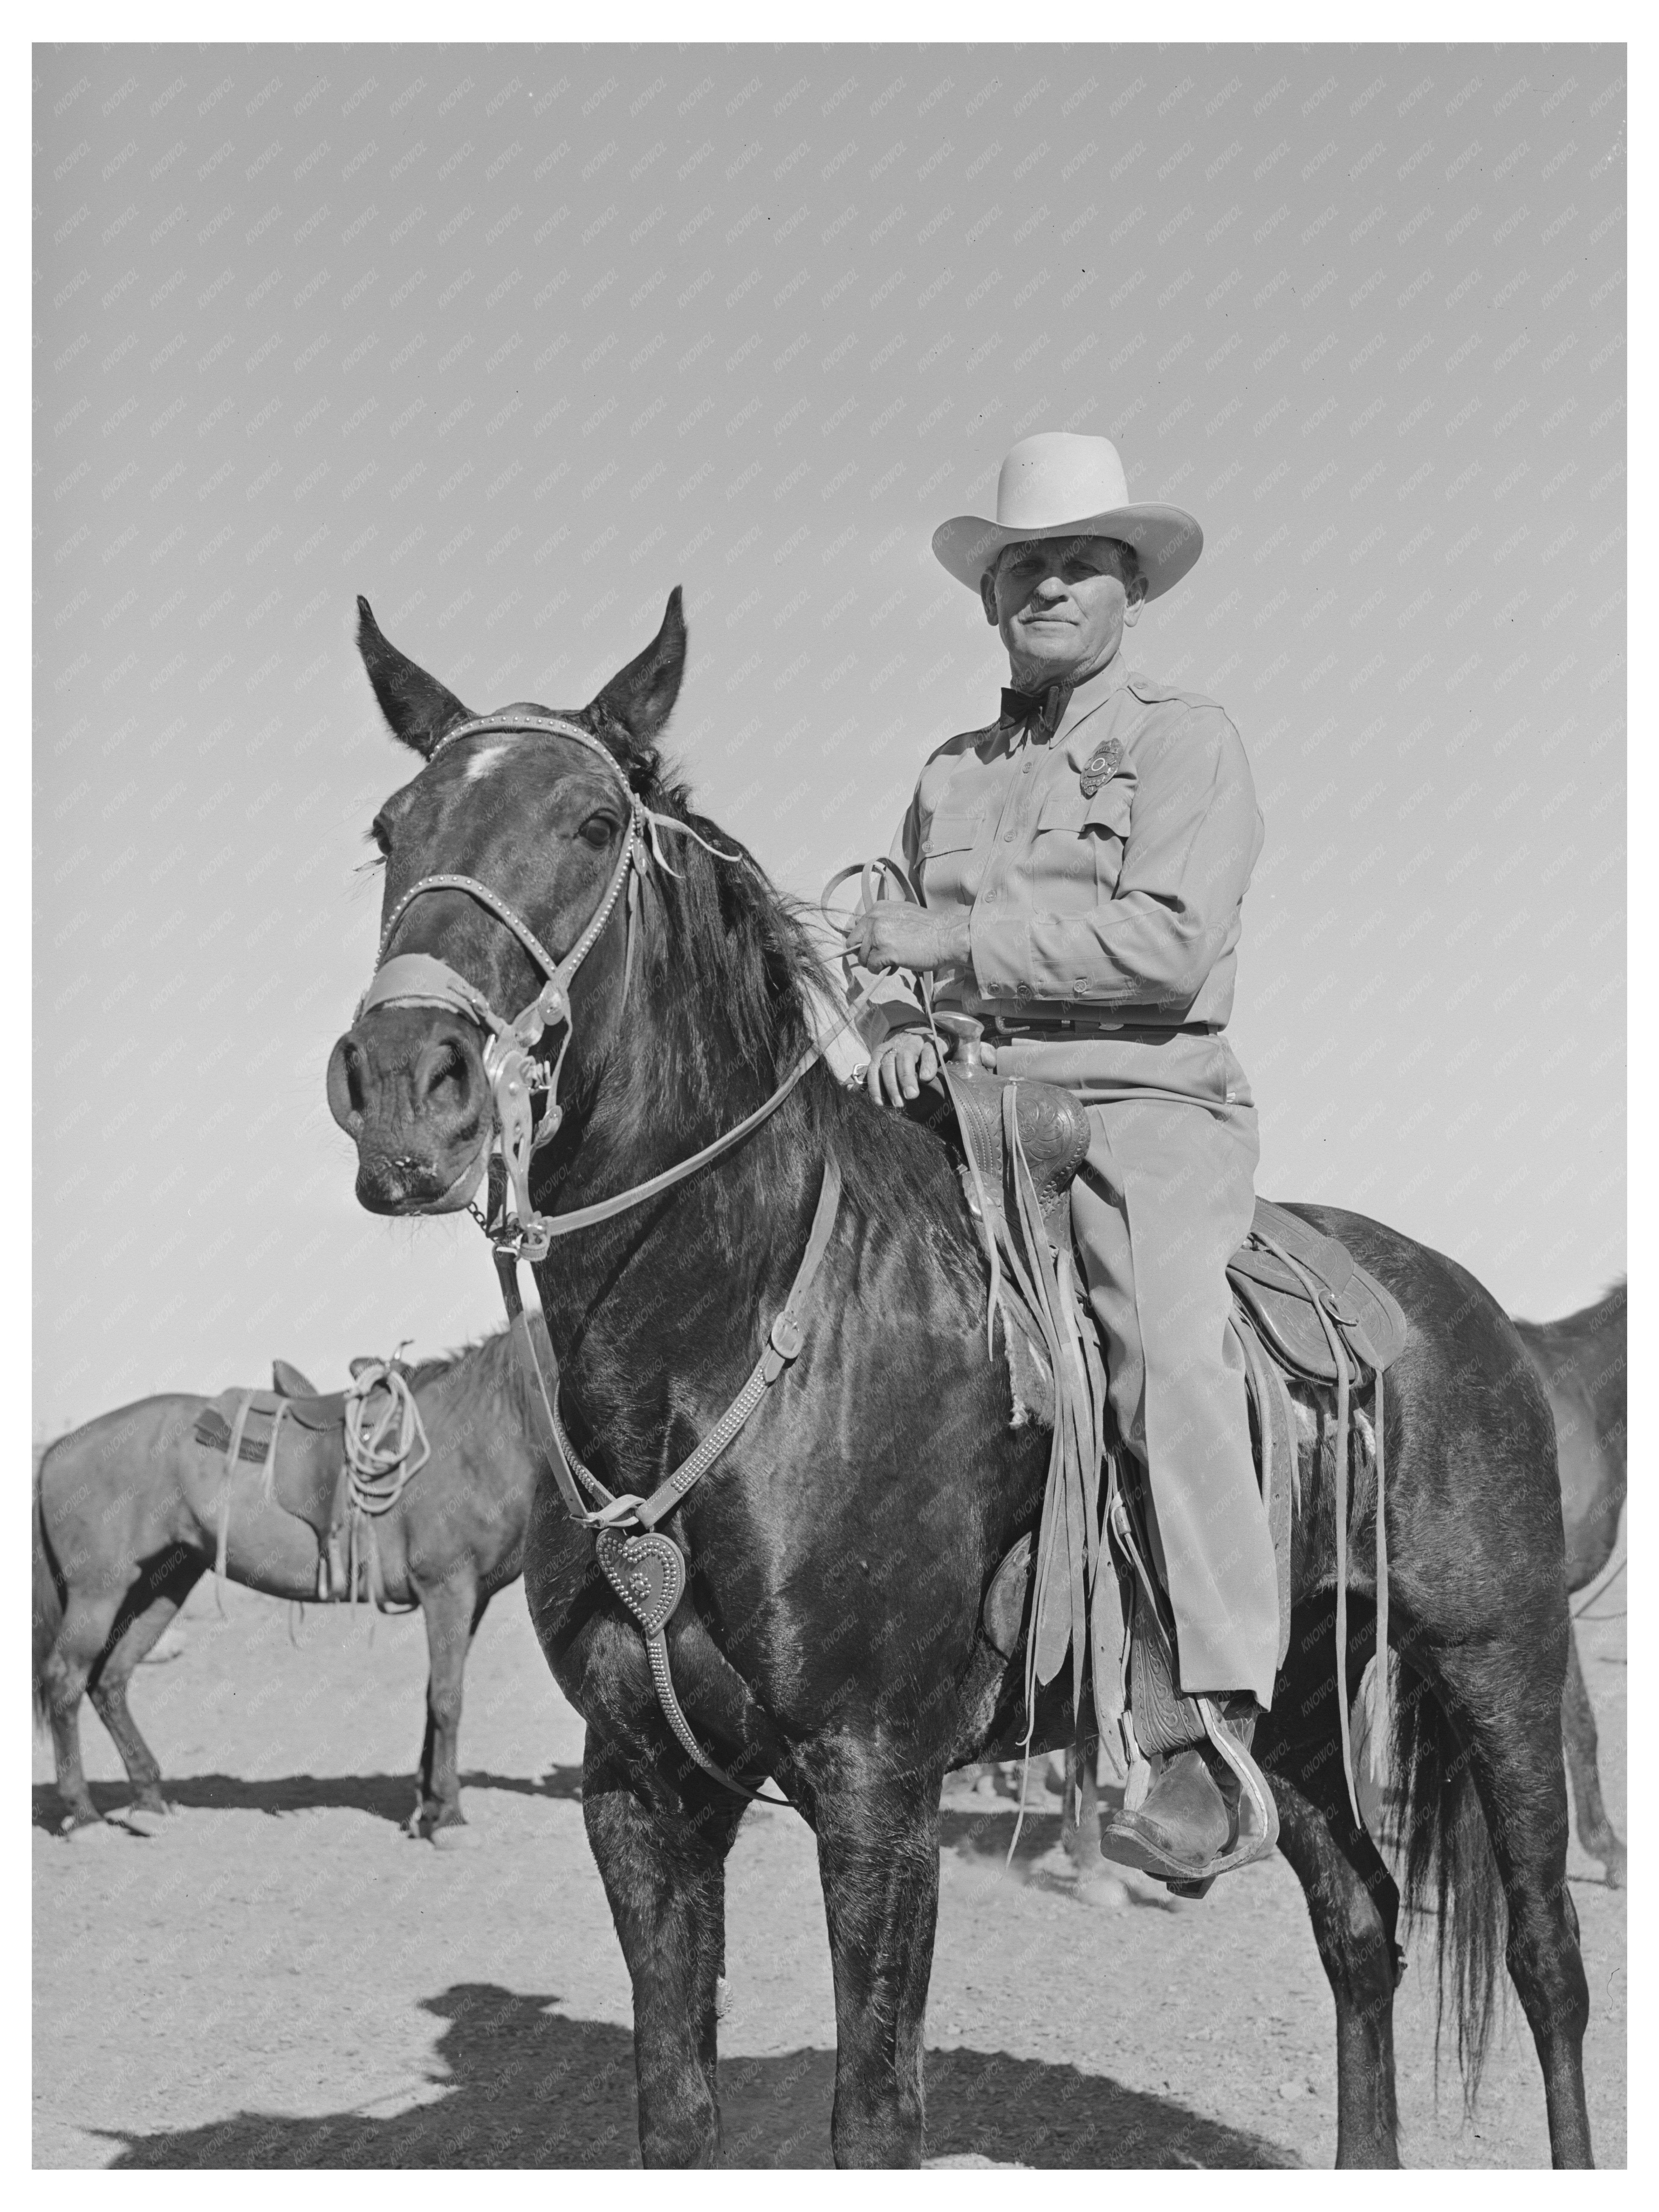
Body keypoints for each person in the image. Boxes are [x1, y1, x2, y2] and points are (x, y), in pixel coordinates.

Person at [849, 431, 1279, 1887]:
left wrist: (953, 948)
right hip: (964, 1107)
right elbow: (884, 938)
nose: (1045, 584)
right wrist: (898, 1014)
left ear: (1128, 589)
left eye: (1076, 562)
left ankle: (1207, 1732)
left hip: (1132, 1103)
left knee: (1162, 1349)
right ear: (990, 599)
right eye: (1021, 564)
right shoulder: (947, 774)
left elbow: (1168, 946)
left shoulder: (1182, 741)